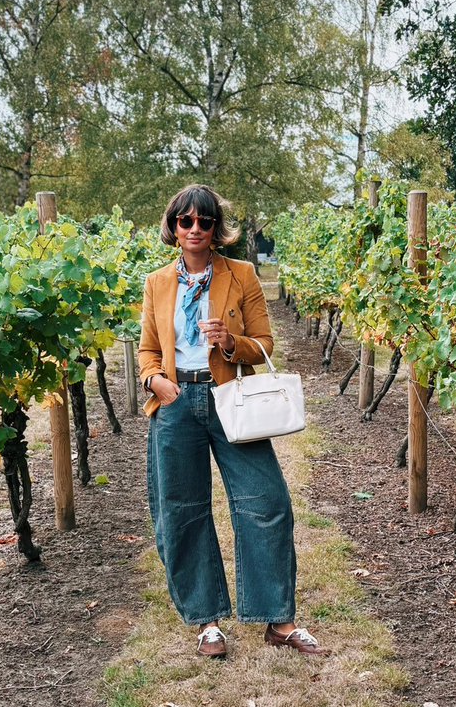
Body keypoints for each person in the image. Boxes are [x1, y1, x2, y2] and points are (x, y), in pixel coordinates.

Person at [139, 184, 328, 660]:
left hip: (231, 398)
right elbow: (146, 349)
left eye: (205, 222)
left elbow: (265, 342)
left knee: (266, 502)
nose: (196, 229)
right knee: (182, 510)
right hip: (176, 400)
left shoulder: (241, 274)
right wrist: (154, 382)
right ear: (174, 228)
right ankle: (207, 623)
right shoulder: (158, 283)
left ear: (216, 229)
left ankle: (278, 621)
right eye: (187, 221)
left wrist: (229, 343)